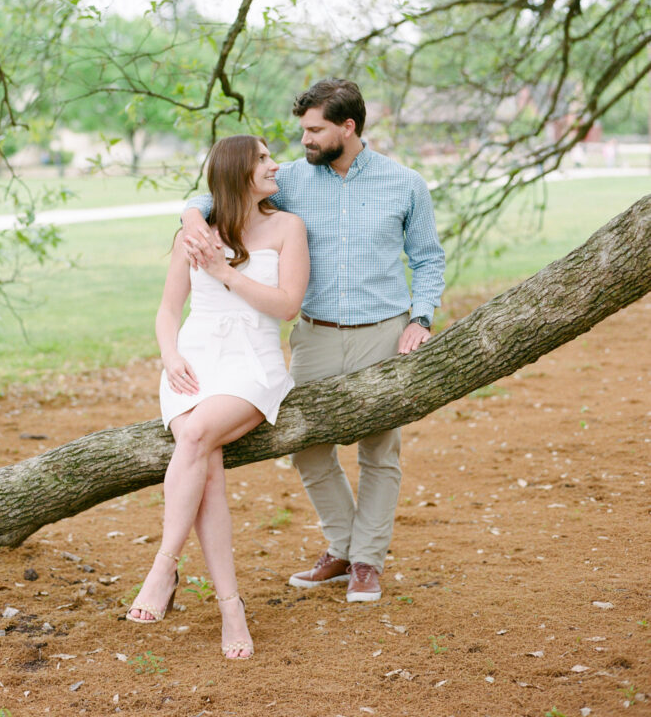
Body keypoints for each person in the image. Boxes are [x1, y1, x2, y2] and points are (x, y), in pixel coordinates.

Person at [182, 79, 445, 604]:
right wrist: (193, 216)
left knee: (379, 450)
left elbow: (428, 258)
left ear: (348, 127)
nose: (302, 139)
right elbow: (217, 193)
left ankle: (366, 560)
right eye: (302, 128)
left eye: (314, 129)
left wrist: (421, 317)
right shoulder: (291, 182)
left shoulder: (405, 183)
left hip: (384, 333)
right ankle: (344, 545)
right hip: (316, 335)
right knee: (306, 446)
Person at [127, 135, 309, 659]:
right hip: (193, 363)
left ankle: (164, 567)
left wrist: (225, 272)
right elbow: (167, 311)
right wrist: (169, 356)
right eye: (264, 159)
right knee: (204, 458)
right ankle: (231, 606)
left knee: (199, 434)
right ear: (236, 172)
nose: (276, 165)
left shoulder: (287, 227)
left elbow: (288, 305)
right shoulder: (195, 233)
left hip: (253, 364)